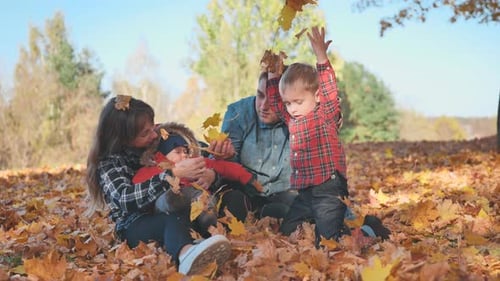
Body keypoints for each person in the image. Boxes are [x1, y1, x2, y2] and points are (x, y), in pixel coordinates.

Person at [265, 26, 390, 245]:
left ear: (316, 96)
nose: (292, 108)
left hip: (328, 186)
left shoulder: (324, 113)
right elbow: (276, 101)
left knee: (327, 241)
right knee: (289, 232)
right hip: (305, 191)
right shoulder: (292, 119)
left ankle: (370, 230)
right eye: (289, 103)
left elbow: (330, 89)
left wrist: (321, 56)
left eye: (298, 102)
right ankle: (341, 224)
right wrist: (274, 74)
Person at [85, 95, 231, 275]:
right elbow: (125, 198)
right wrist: (172, 175)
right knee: (169, 221)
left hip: (176, 206)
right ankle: (186, 256)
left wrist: (211, 173)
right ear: (123, 139)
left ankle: (209, 242)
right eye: (145, 133)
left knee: (198, 205)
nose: (154, 134)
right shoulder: (110, 163)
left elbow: (197, 152)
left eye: (152, 126)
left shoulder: (159, 137)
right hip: (136, 223)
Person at [132, 122, 263, 237]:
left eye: (186, 151)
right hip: (170, 211)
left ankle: (209, 225)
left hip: (197, 203)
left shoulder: (195, 163)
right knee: (168, 198)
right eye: (178, 152)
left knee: (199, 195)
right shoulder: (155, 169)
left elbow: (224, 167)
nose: (184, 154)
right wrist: (172, 175)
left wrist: (249, 179)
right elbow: (138, 183)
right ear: (160, 155)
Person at [220, 71, 297, 220]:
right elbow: (224, 169)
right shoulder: (238, 113)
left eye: (273, 100)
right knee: (232, 202)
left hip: (283, 193)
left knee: (300, 208)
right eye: (260, 95)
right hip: (244, 192)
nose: (263, 106)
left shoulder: (298, 117)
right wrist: (228, 158)